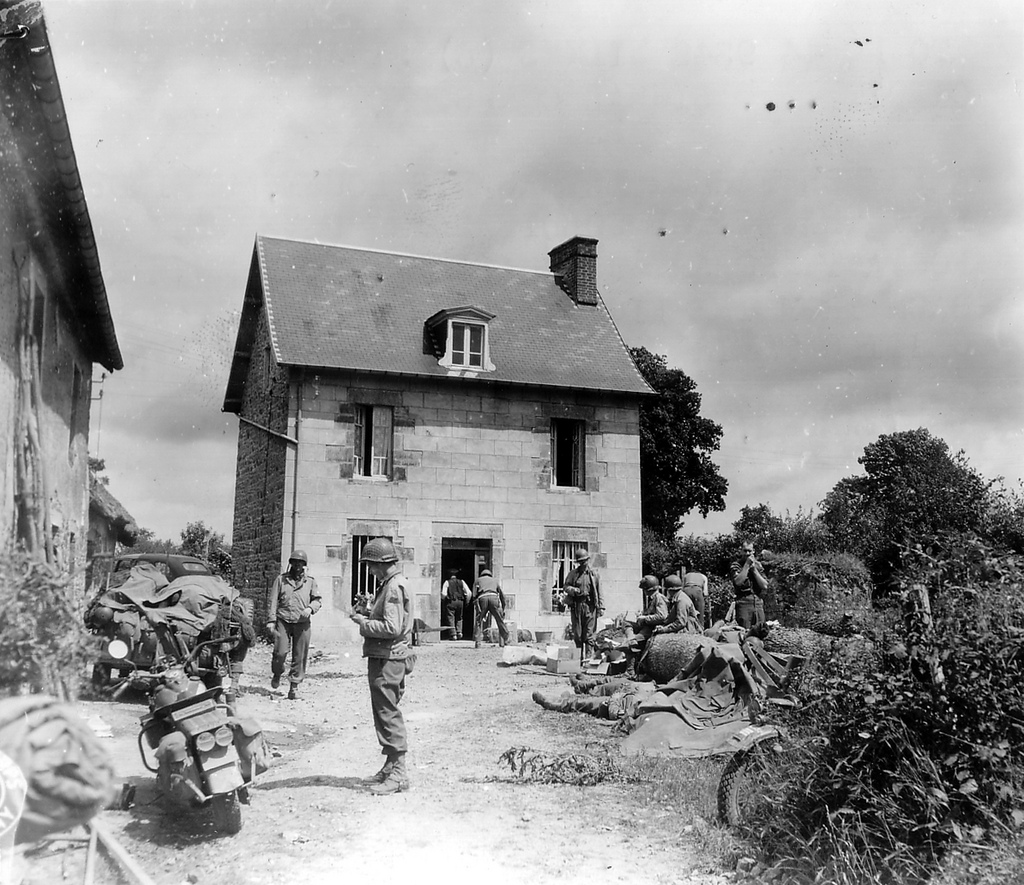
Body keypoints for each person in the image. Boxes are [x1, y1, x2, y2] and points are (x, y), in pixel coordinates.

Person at [349, 537, 415, 795]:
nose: (369, 570)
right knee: (383, 710)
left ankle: (398, 773)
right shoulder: (391, 584)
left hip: (388, 658)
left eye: (370, 565)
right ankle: (390, 766)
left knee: (388, 712)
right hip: (387, 657)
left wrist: (362, 623)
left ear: (380, 563)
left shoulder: (393, 587)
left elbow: (391, 627)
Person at [265, 550, 321, 700]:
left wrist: (310, 608)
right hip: (283, 620)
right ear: (290, 563)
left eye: (300, 563)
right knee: (280, 652)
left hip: (302, 623)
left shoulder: (310, 581)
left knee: (300, 655)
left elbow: (317, 600)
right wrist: (271, 620)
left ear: (304, 565)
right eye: (295, 562)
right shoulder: (281, 580)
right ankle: (277, 672)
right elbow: (273, 601)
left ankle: (294, 687)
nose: (297, 566)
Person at [562, 549, 603, 662]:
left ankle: (588, 660)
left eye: (584, 561)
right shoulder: (573, 574)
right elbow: (565, 586)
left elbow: (599, 591)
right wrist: (573, 590)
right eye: (581, 561)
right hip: (577, 606)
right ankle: (578, 659)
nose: (583, 563)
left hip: (590, 606)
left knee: (589, 635)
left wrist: (601, 607)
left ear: (587, 560)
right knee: (578, 635)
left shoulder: (594, 574)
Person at [729, 540, 768, 629]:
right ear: (741, 551)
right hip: (744, 602)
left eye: (749, 551)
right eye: (745, 550)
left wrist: (754, 570)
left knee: (760, 630)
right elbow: (738, 582)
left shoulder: (758, 565)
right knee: (744, 631)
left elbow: (765, 585)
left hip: (757, 602)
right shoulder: (736, 565)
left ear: (753, 551)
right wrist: (746, 565)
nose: (747, 553)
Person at [472, 568, 509, 649]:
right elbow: (502, 596)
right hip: (494, 598)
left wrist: (477, 606)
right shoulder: (495, 580)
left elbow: (474, 595)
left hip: (482, 598)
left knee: (479, 620)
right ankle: (505, 640)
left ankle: (478, 642)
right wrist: (503, 607)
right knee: (499, 620)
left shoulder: (477, 580)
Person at [441, 570, 470, 640]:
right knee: (459, 617)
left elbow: (443, 594)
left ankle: (453, 634)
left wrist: (442, 600)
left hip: (451, 601)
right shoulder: (462, 582)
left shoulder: (447, 582)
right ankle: (459, 632)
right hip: (460, 602)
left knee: (451, 617)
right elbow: (469, 592)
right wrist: (467, 601)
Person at [680, 564, 710, 630]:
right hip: (697, 591)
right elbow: (705, 593)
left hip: (686, 591)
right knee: (700, 613)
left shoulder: (686, 576)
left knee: (686, 611)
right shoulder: (703, 576)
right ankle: (700, 629)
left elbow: (682, 588)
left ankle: (685, 628)